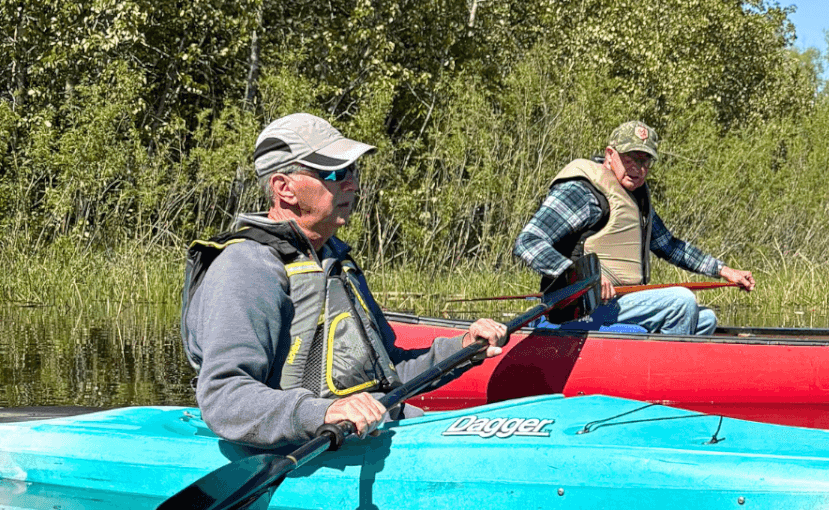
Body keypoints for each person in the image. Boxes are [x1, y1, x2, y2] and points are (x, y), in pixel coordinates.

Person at [181, 113, 509, 447]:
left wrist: (463, 348)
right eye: (334, 173)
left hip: (376, 430)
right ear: (284, 188)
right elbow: (224, 396)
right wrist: (324, 412)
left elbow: (388, 372)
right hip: (309, 445)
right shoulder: (247, 266)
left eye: (351, 170)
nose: (351, 183)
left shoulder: (335, 260)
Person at [513, 120, 754, 335]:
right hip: (578, 308)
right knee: (681, 301)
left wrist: (724, 271)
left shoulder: (634, 198)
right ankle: (663, 377)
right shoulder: (582, 192)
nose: (638, 168)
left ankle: (654, 368)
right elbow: (529, 241)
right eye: (630, 158)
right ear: (610, 154)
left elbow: (669, 246)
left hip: (618, 303)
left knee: (705, 319)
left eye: (645, 160)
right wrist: (584, 277)